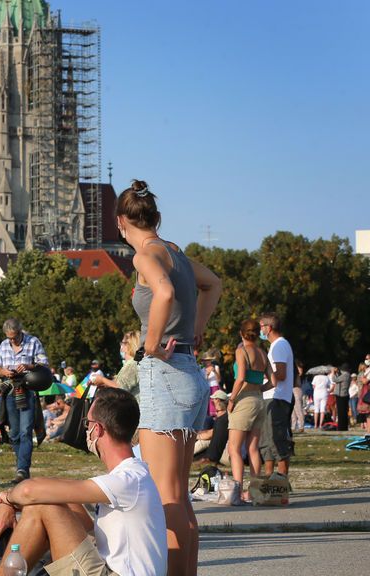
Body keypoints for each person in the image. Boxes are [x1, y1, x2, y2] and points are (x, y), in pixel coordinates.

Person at [116, 179, 221, 576]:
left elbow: (161, 293)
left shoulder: (146, 255)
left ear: (122, 221)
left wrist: (151, 344)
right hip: (190, 373)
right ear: (155, 217)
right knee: (180, 496)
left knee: (166, 498)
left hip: (164, 374)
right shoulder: (175, 253)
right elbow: (214, 284)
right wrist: (198, 328)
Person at [0, 387, 167, 576]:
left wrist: (7, 499)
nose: (86, 429)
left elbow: (28, 491)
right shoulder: (133, 474)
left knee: (42, 506)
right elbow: (57, 491)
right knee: (56, 499)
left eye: (87, 423)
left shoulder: (128, 479)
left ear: (97, 429)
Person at [0, 318, 48, 482]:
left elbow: (44, 362)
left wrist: (27, 366)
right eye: (9, 337)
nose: (12, 340)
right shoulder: (3, 346)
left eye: (15, 336)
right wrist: (4, 372)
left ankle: (22, 469)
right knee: (15, 432)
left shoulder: (33, 342)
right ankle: (21, 467)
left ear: (20, 331)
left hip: (28, 389)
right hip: (10, 390)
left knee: (26, 431)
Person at [225, 319, 275, 496]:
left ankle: (237, 490)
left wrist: (231, 399)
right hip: (259, 400)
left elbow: (241, 377)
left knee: (234, 448)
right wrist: (260, 388)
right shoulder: (263, 352)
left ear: (241, 333)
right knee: (253, 448)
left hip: (244, 400)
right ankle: (254, 491)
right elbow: (273, 380)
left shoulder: (242, 350)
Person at [258, 312, 294, 477]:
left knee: (276, 439)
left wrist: (263, 381)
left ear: (269, 328)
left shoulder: (279, 345)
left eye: (261, 327)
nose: (260, 330)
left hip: (277, 398)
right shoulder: (275, 346)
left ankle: (281, 478)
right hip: (271, 397)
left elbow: (280, 374)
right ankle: (269, 477)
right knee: (266, 441)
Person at [195, 391, 230, 467]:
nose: (212, 401)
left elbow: (210, 434)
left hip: (227, 454)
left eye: (213, 399)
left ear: (217, 400)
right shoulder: (225, 416)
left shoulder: (224, 417)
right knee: (204, 441)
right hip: (227, 451)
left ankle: (182, 454)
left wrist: (194, 436)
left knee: (204, 442)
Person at [331, 364, 351, 431]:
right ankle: (344, 426)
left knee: (341, 412)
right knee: (344, 412)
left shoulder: (345, 375)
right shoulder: (347, 375)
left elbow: (334, 380)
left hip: (341, 395)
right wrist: (337, 373)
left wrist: (333, 373)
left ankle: (341, 427)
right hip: (344, 395)